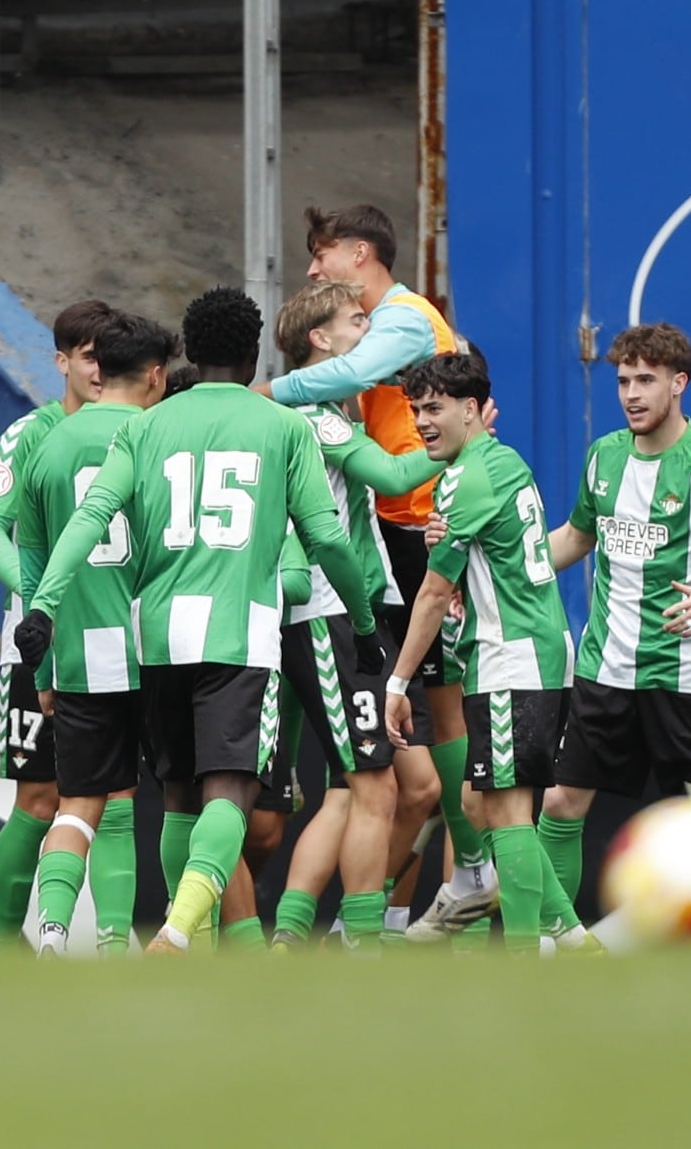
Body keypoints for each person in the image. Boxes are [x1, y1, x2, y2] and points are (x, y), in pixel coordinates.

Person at [17, 286, 384, 954]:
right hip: (238, 635)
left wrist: (43, 603)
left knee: (179, 798)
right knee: (230, 793)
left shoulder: (147, 426)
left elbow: (90, 517)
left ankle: (178, 948)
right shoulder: (282, 427)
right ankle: (181, 931)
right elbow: (328, 539)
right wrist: (361, 621)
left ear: (189, 350)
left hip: (155, 636)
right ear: (253, 354)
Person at [260, 205, 464, 939]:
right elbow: (374, 474)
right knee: (387, 775)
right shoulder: (321, 415)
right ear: (322, 339)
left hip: (328, 596)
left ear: (359, 251)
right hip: (342, 600)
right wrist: (463, 443)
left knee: (382, 784)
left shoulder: (402, 320)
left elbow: (360, 371)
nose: (314, 267)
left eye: (320, 255)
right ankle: (375, 926)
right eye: (350, 325)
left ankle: (330, 927)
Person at [535, 324, 691, 926]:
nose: (631, 393)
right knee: (561, 802)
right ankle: (549, 940)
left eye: (646, 380)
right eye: (623, 380)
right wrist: (498, 572)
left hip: (686, 676)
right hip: (605, 669)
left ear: (679, 384)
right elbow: (576, 536)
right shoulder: (605, 456)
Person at [383, 351, 587, 954]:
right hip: (531, 648)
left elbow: (432, 593)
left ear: (472, 410)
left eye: (435, 408)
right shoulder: (501, 462)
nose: (422, 421)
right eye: (416, 409)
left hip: (511, 656)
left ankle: (528, 958)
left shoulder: (464, 479)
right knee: (477, 803)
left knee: (506, 813)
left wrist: (397, 684)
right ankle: (575, 941)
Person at [17, 312, 180, 956]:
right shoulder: (161, 434)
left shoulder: (47, 443)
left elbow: (34, 568)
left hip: (80, 652)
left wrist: (43, 674)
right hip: (160, 649)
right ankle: (134, 938)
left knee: (79, 803)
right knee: (180, 801)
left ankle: (52, 929)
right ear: (157, 374)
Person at [0, 300, 116, 951]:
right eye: (86, 353)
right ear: (60, 360)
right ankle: (5, 940)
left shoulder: (135, 429)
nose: (97, 367)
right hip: (40, 649)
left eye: (106, 355)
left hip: (116, 646)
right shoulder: (27, 434)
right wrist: (39, 604)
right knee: (37, 796)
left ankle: (115, 939)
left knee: (114, 799)